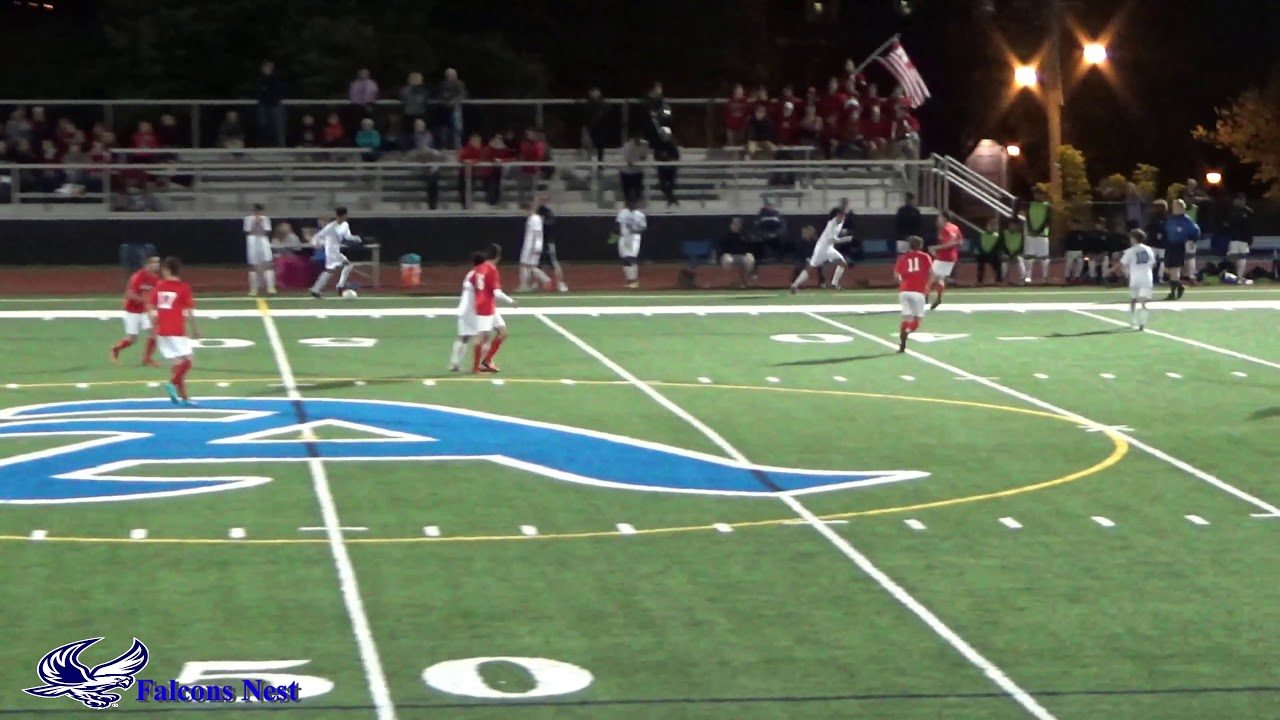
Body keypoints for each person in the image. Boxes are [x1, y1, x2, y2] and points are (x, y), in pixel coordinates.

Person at [148, 257, 200, 406]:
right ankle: (172, 383)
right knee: (188, 361)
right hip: (176, 329)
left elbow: (151, 307)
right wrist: (196, 329)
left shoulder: (159, 285)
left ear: (168, 270)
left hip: (161, 331)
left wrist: (153, 327)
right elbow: (189, 311)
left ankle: (184, 398)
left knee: (177, 365)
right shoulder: (183, 287)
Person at [469, 244, 517, 373]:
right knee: (481, 336)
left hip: (487, 305)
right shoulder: (492, 269)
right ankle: (475, 367)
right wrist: (511, 301)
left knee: (503, 332)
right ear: (498, 257)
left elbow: (473, 282)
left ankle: (487, 360)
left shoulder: (479, 268)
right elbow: (497, 292)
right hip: (486, 307)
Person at [111, 255, 160, 366]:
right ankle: (116, 349)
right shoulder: (138, 276)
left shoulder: (155, 278)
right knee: (132, 339)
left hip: (144, 311)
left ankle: (146, 359)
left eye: (158, 263)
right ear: (148, 264)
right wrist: (144, 300)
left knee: (154, 332)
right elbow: (129, 294)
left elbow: (153, 295)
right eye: (155, 263)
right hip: (131, 311)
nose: (158, 265)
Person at [790, 207, 850, 294]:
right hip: (821, 248)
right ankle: (794, 285)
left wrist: (843, 232)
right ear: (837, 216)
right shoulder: (831, 224)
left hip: (829, 248)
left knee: (843, 263)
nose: (843, 219)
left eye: (844, 217)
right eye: (842, 217)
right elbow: (833, 240)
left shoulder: (841, 222)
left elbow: (837, 233)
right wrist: (846, 239)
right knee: (810, 268)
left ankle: (834, 283)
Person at [309, 207, 362, 299]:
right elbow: (318, 236)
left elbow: (347, 236)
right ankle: (339, 286)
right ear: (339, 216)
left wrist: (355, 238)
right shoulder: (330, 227)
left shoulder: (345, 225)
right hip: (331, 251)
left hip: (336, 250)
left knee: (331, 270)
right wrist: (315, 243)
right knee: (346, 266)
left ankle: (316, 289)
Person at [894, 236, 933, 353]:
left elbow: (896, 274)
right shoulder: (925, 257)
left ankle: (902, 342)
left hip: (904, 291)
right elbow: (931, 273)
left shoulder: (902, 257)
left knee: (906, 317)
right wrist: (928, 286)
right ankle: (906, 332)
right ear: (920, 246)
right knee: (917, 320)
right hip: (918, 291)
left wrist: (902, 283)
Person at [1117, 229, 1156, 330]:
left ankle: (1132, 321)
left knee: (1133, 299)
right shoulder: (1149, 249)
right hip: (1147, 276)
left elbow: (1123, 264)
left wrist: (1126, 273)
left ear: (1134, 238)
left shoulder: (1130, 250)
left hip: (1135, 276)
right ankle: (1142, 322)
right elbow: (1153, 263)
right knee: (1143, 301)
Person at [1163, 198, 1201, 300]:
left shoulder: (1186, 220)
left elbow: (1195, 231)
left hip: (1178, 246)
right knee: (1168, 270)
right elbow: (1165, 230)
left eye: (1177, 206)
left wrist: (1192, 240)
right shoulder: (1170, 219)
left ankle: (1173, 292)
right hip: (1169, 245)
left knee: (1175, 270)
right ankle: (1179, 287)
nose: (1174, 208)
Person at [928, 212, 962, 309]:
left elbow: (952, 243)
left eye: (939, 217)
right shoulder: (955, 228)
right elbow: (959, 241)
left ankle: (922, 299)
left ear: (944, 218)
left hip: (943, 257)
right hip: (950, 258)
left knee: (931, 279)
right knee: (940, 279)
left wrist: (936, 248)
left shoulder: (945, 229)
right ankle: (938, 298)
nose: (938, 219)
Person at [519, 196, 553, 292]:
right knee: (530, 267)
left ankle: (525, 285)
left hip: (531, 246)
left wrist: (537, 247)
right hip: (529, 245)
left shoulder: (535, 219)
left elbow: (538, 233)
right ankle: (544, 280)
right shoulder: (532, 219)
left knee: (527, 266)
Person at [244, 203, 275, 296]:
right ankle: (253, 289)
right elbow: (248, 230)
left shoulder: (265, 219)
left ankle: (270, 287)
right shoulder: (248, 219)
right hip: (252, 240)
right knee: (253, 266)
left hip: (263, 240)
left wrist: (261, 223)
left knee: (268, 264)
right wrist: (255, 223)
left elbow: (267, 230)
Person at [537, 201, 569, 292]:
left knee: (554, 264)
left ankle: (560, 283)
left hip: (548, 243)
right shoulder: (547, 217)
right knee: (541, 265)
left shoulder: (545, 219)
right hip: (544, 243)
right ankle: (543, 284)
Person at [615, 200, 647, 288]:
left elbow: (643, 228)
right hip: (623, 238)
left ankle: (634, 280)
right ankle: (629, 280)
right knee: (625, 259)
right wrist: (615, 235)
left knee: (631, 258)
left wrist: (633, 230)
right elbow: (617, 225)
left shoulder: (640, 215)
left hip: (634, 239)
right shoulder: (622, 212)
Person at [1023, 189, 1051, 283]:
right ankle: (1028, 277)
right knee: (1029, 257)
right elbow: (1028, 218)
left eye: (1040, 194)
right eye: (1036, 194)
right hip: (1030, 234)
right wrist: (1031, 230)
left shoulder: (1047, 206)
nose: (1038, 196)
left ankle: (1045, 277)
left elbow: (1047, 220)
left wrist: (1038, 231)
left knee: (1044, 258)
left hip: (1042, 235)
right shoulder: (1030, 204)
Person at [719, 216, 754, 288]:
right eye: (734, 224)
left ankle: (746, 281)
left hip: (743, 256)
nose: (736, 226)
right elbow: (721, 249)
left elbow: (750, 247)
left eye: (738, 224)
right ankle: (729, 281)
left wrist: (748, 253)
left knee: (750, 259)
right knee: (727, 260)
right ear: (731, 225)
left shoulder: (745, 235)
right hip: (730, 256)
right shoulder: (725, 235)